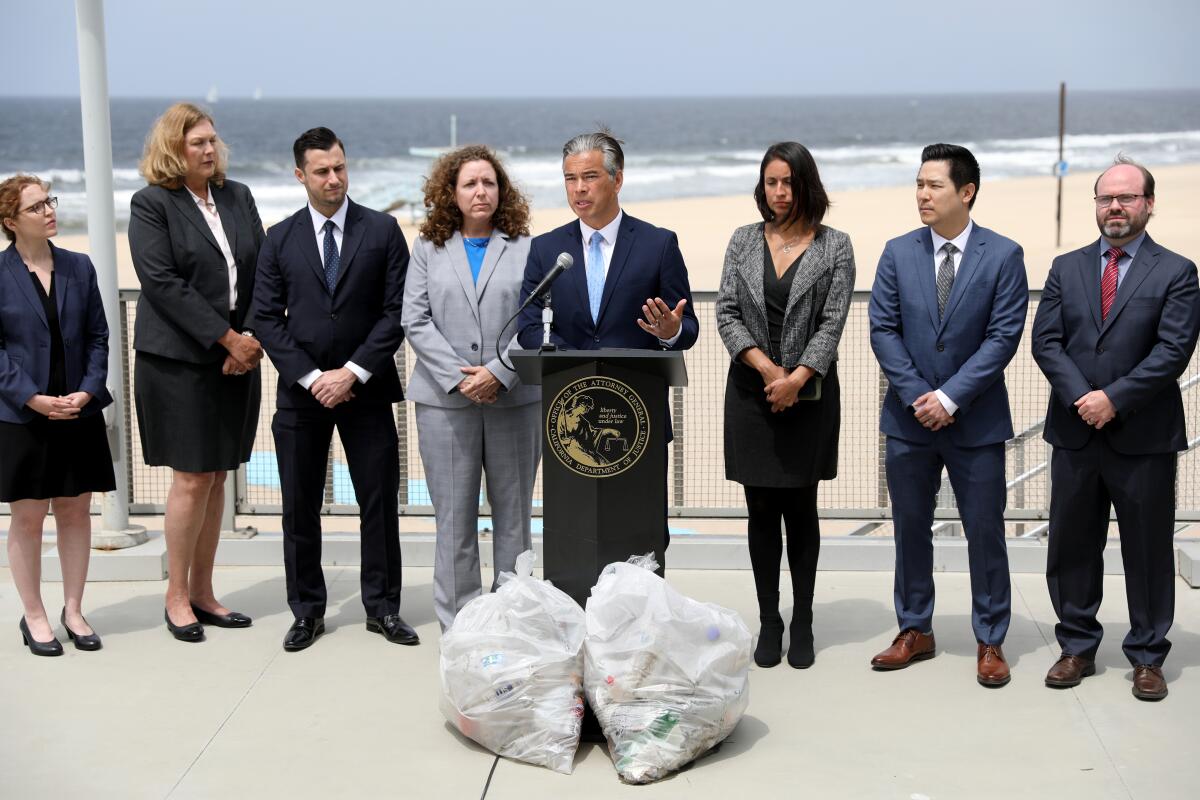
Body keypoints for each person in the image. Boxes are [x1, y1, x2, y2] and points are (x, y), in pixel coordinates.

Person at [1031, 156, 1200, 701]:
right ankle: (1076, 646)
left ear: (1148, 204)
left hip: (1143, 435)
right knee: (1073, 545)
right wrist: (1085, 398)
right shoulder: (1067, 266)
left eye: (1127, 198)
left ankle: (1148, 656)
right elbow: (1046, 342)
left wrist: (1115, 399)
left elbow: (1173, 350)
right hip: (1077, 431)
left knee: (1147, 550)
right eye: (1106, 198)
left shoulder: (1177, 271)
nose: (1116, 207)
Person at [867, 143, 1028, 687]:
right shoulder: (896, 252)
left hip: (976, 422)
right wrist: (921, 397)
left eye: (933, 185)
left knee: (985, 531)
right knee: (910, 529)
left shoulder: (1004, 255)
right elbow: (883, 329)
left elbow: (1003, 336)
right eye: (918, 185)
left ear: (966, 191)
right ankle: (915, 629)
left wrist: (951, 398)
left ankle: (990, 638)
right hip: (909, 421)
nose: (922, 195)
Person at [252, 127, 416, 652]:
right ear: (300, 175)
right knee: (299, 508)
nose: (334, 179)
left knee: (379, 504)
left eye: (340, 167)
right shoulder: (278, 238)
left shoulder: (384, 230)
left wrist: (352, 372)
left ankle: (384, 609)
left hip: (366, 391)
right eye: (322, 171)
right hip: (301, 397)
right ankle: (306, 611)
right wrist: (313, 377)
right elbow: (265, 318)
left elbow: (397, 313)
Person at [516, 129, 699, 564]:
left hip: (638, 422)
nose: (579, 189)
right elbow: (527, 327)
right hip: (571, 425)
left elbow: (686, 327)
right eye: (569, 179)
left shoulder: (658, 244)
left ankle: (641, 620)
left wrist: (670, 330)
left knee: (640, 532)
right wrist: (566, 355)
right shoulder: (547, 250)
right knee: (573, 534)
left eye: (590, 177)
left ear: (617, 180)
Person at [128, 103, 264, 643]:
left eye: (212, 140)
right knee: (190, 478)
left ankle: (205, 592)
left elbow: (262, 269)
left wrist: (247, 340)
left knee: (217, 477)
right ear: (173, 149)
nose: (209, 150)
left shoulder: (238, 196)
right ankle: (176, 597)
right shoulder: (151, 204)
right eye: (197, 143)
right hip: (180, 361)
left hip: (237, 357)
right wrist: (225, 338)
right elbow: (162, 282)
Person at [716, 142, 854, 669]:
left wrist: (796, 378)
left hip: (810, 395)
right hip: (752, 391)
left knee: (801, 510)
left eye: (789, 183)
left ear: (806, 186)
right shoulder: (741, 240)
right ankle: (769, 619)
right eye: (772, 182)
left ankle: (804, 621)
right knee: (759, 512)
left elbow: (833, 322)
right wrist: (769, 372)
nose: (779, 192)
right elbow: (727, 313)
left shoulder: (835, 245)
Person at [402, 145, 540, 632]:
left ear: (501, 191)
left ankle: (513, 623)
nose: (480, 191)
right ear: (451, 193)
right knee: (455, 523)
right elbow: (415, 320)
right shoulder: (427, 247)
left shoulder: (526, 246)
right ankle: (459, 630)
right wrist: (461, 377)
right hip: (445, 404)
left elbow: (538, 319)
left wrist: (498, 372)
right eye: (469, 184)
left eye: (489, 182)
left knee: (514, 521)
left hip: (515, 400)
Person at [1, 175, 115, 656]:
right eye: (36, 206)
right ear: (10, 222)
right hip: (22, 417)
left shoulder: (79, 267)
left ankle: (73, 609)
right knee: (27, 518)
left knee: (75, 512)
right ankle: (34, 615)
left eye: (50, 200)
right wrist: (32, 397)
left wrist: (88, 393)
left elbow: (98, 337)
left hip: (77, 412)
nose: (49, 210)